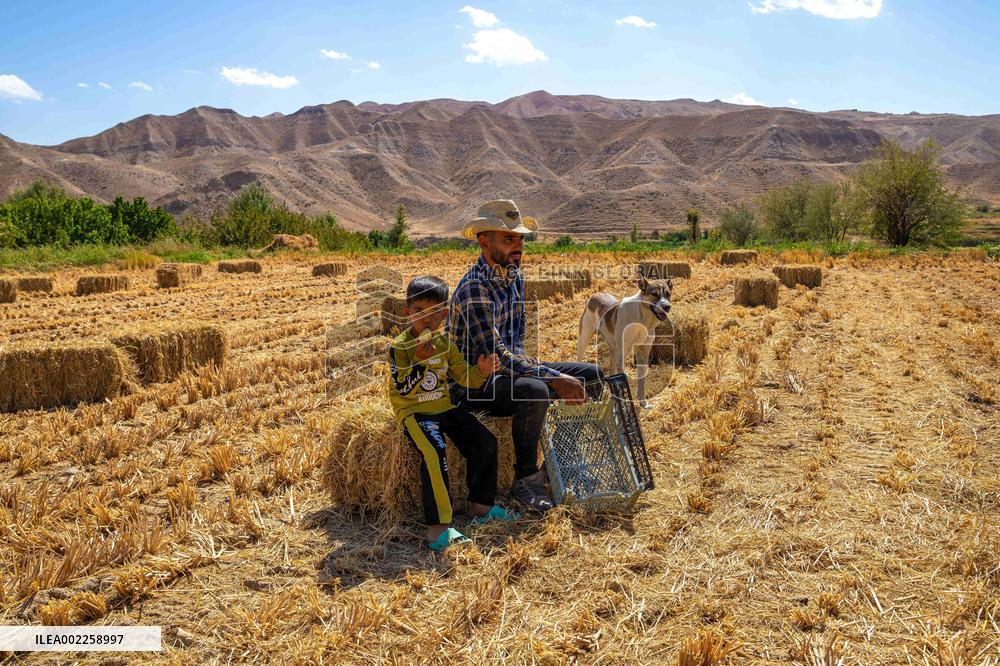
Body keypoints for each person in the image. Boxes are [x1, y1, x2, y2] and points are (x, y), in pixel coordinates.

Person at [448, 200, 604, 513]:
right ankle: (525, 478)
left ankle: (563, 463)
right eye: (509, 239)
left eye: (520, 239)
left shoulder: (515, 276)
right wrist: (549, 376)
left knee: (592, 375)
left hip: (505, 371)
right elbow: (495, 354)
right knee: (536, 391)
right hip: (473, 383)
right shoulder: (474, 288)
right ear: (484, 241)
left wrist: (537, 367)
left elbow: (516, 339)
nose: (518, 246)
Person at [388, 275, 519, 552]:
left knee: (484, 440)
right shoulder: (400, 347)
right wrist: (421, 363)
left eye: (434, 312)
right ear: (407, 312)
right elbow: (403, 388)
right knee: (435, 451)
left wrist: (482, 372)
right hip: (415, 412)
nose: (426, 319)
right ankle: (438, 529)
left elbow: (464, 378)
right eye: (419, 311)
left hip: (445, 408)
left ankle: (481, 506)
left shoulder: (446, 345)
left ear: (445, 315)